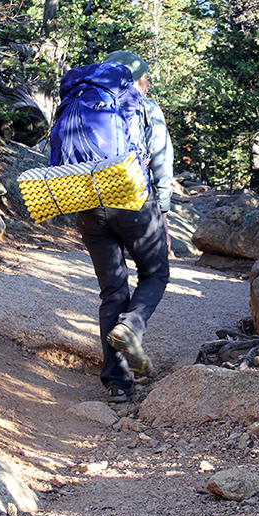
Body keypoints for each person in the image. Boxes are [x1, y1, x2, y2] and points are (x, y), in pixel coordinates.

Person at [74, 50, 174, 403]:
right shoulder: (144, 107)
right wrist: (162, 214)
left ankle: (118, 385)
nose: (147, 84)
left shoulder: (83, 98)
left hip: (86, 202)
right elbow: (161, 161)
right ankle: (131, 327)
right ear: (134, 80)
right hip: (133, 200)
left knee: (113, 291)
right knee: (155, 273)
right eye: (145, 78)